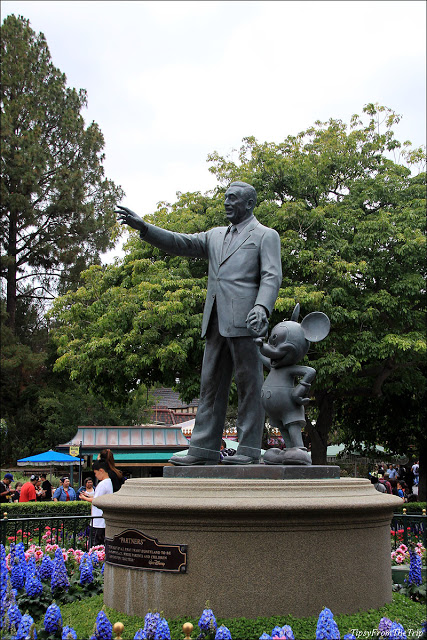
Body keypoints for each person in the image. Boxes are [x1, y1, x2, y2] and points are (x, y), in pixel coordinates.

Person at [116, 181, 282, 466]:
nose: (227, 203)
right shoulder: (214, 235)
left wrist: (261, 306)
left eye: (233, 198)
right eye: (225, 198)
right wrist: (144, 228)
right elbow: (181, 243)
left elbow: (271, 276)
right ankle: (203, 449)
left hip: (246, 320)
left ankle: (248, 450)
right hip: (215, 319)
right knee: (210, 386)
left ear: (250, 204)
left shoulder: (266, 235)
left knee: (249, 385)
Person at [80, 460, 113, 546]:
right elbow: (99, 498)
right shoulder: (109, 482)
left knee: (94, 546)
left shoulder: (102, 484)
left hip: (98, 522)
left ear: (101, 471)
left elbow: (96, 500)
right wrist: (88, 496)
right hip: (102, 521)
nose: (95, 475)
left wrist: (84, 498)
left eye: (95, 473)